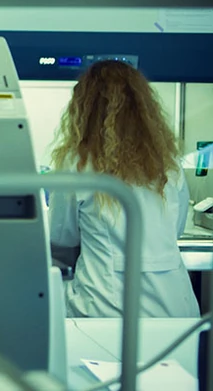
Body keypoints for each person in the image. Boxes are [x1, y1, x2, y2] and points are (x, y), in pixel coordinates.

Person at [48, 60, 199, 318]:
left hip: (105, 308)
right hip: (175, 310)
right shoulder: (169, 163)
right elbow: (175, 229)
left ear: (85, 109)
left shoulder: (78, 163)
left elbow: (62, 236)